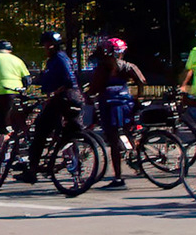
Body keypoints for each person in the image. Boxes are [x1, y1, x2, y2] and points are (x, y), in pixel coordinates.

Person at [18, 31, 82, 185]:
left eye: (46, 45)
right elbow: (43, 83)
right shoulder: (55, 60)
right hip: (67, 99)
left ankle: (32, 171)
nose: (45, 48)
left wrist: (54, 93)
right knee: (65, 133)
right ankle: (73, 165)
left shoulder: (59, 59)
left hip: (63, 100)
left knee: (40, 131)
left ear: (51, 45)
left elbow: (68, 80)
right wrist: (29, 92)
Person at [86, 38, 146, 188]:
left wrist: (87, 95)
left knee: (113, 142)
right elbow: (142, 81)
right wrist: (138, 97)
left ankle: (118, 177)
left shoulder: (102, 68)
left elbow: (94, 87)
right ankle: (135, 156)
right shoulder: (127, 66)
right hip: (126, 104)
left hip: (109, 105)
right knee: (127, 132)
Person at [0, 39, 29, 134]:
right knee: (16, 119)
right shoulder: (17, 59)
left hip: (2, 91)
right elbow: (27, 79)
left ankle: (2, 142)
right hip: (17, 92)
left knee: (0, 122)